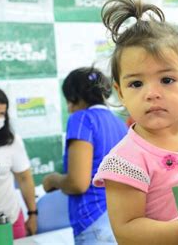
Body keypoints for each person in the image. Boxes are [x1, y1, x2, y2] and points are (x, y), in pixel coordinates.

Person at [92, 0, 178, 244]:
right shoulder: (125, 160)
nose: (151, 94)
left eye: (167, 80)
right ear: (121, 92)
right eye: (136, 83)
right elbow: (127, 231)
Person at [42, 67, 127, 244]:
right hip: (119, 218)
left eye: (68, 100)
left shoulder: (81, 119)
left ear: (74, 97)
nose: (69, 108)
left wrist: (54, 180)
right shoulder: (120, 124)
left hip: (93, 220)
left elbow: (78, 183)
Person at [0, 86, 37, 239]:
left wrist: (32, 213)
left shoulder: (11, 141)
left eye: (1, 114)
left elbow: (24, 178)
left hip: (7, 220)